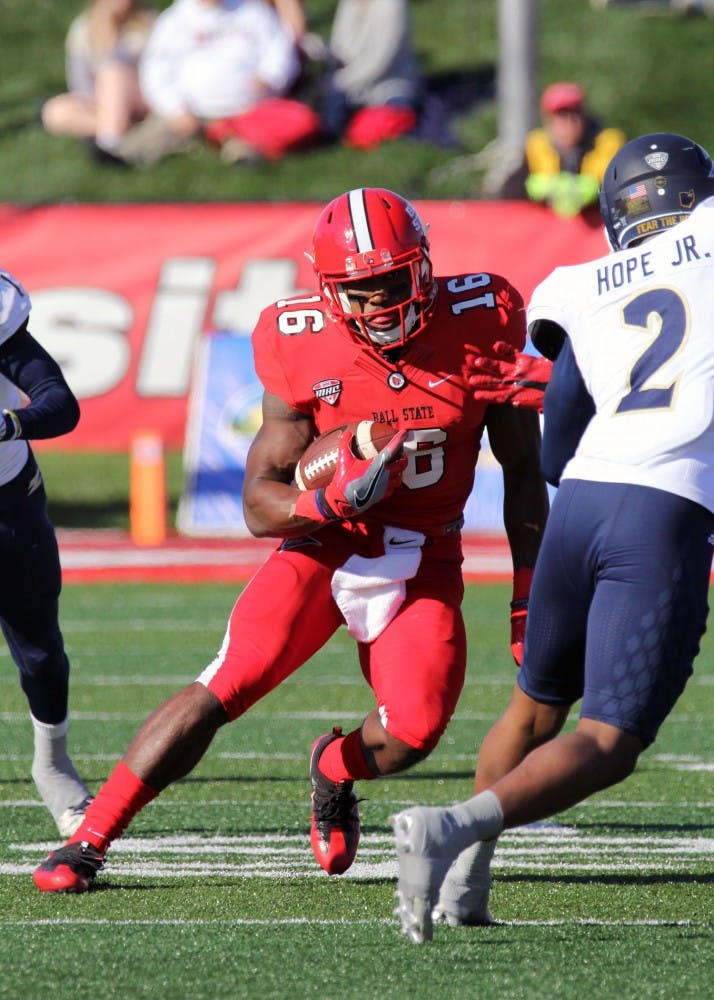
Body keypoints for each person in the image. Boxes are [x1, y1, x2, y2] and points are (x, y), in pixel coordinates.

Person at [33, 186, 548, 893]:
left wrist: (528, 595)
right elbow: (259, 502)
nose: (378, 305)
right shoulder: (297, 336)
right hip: (327, 542)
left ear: (424, 267)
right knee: (226, 681)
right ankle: (88, 841)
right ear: (329, 291)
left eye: (392, 282)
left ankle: (333, 767)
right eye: (359, 291)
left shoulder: (482, 317)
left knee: (413, 733)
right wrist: (331, 499)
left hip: (426, 553)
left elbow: (523, 468)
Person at [391, 132, 714, 942]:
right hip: (662, 511)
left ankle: (464, 890)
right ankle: (450, 828)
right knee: (607, 741)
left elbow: (557, 443)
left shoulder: (583, 282)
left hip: (581, 503)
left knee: (533, 709)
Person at [0, 269, 91, 838]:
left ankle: (52, 764)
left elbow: (60, 403)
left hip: (5, 499)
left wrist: (9, 424)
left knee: (39, 653)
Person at [113, 0, 321, 167]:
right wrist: (175, 109)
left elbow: (280, 51)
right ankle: (124, 153)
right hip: (195, 112)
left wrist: (270, 77)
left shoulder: (253, 12)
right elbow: (156, 71)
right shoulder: (174, 20)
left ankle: (234, 143)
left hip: (251, 108)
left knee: (300, 121)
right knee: (156, 135)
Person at [40, 0, 156, 164]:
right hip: (101, 103)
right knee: (53, 111)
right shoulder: (82, 28)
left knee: (114, 72)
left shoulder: (149, 21)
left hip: (142, 97)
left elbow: (156, 74)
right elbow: (80, 84)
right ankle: (123, 132)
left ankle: (110, 145)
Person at [493, 81, 626, 217]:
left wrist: (596, 191)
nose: (569, 123)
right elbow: (509, 193)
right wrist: (536, 188)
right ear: (548, 121)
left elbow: (624, 191)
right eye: (562, 116)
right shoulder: (537, 145)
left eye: (575, 114)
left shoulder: (606, 143)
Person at [319, 0, 423, 150]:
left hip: (389, 87)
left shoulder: (391, 5)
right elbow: (340, 49)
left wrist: (340, 82)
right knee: (325, 114)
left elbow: (379, 61)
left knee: (370, 128)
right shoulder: (349, 4)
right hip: (353, 87)